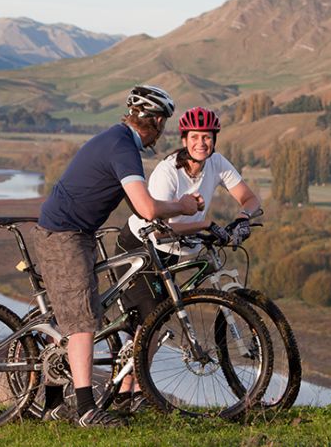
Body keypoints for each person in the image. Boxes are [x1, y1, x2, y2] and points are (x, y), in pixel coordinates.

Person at [33, 85, 204, 427]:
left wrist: (167, 219)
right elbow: (145, 206)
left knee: (75, 313)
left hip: (75, 232)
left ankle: (53, 402)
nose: (164, 130)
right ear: (153, 121)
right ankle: (85, 410)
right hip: (66, 236)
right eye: (163, 122)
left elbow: (142, 211)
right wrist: (183, 206)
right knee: (82, 322)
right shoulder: (123, 148)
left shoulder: (118, 141)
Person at [111, 106, 261, 412]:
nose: (201, 143)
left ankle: (132, 392)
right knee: (152, 316)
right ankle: (131, 392)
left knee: (157, 317)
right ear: (184, 139)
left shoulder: (217, 163)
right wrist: (205, 224)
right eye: (195, 137)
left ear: (214, 140)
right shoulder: (168, 172)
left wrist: (244, 217)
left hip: (176, 251)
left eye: (206, 137)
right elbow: (160, 228)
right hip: (142, 246)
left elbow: (249, 197)